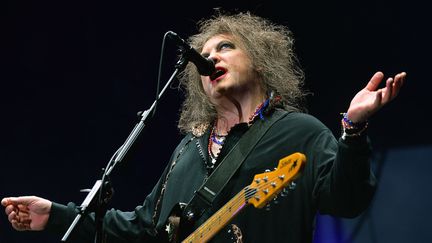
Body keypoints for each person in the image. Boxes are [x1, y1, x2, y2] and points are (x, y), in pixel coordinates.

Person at [2, 12, 406, 243]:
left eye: (226, 46)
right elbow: (143, 229)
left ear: (261, 61)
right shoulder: (187, 150)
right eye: (205, 53)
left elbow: (347, 201)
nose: (210, 57)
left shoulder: (301, 132)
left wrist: (352, 129)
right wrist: (55, 214)